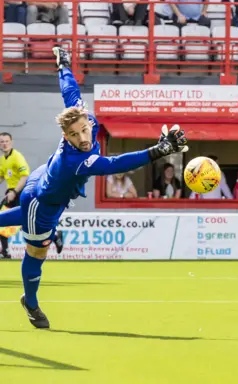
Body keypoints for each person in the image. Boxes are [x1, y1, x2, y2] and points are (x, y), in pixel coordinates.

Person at [0, 47, 188, 329]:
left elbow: (70, 92)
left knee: (28, 223)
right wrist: (159, 150)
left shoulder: (84, 119)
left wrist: (63, 65)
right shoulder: (77, 161)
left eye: (84, 129)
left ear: (88, 122)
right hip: (43, 201)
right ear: (66, 136)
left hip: (47, 184)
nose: (83, 137)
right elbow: (115, 164)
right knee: (37, 251)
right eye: (74, 135)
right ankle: (31, 301)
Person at [0, 132, 30, 259]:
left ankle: (55, 236)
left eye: (7, 141)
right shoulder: (3, 160)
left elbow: (25, 176)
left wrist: (14, 192)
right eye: (2, 142)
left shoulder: (17, 157)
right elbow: (1, 176)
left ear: (11, 142)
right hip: (11, 194)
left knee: (28, 223)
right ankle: (5, 252)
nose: (4, 144)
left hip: (21, 193)